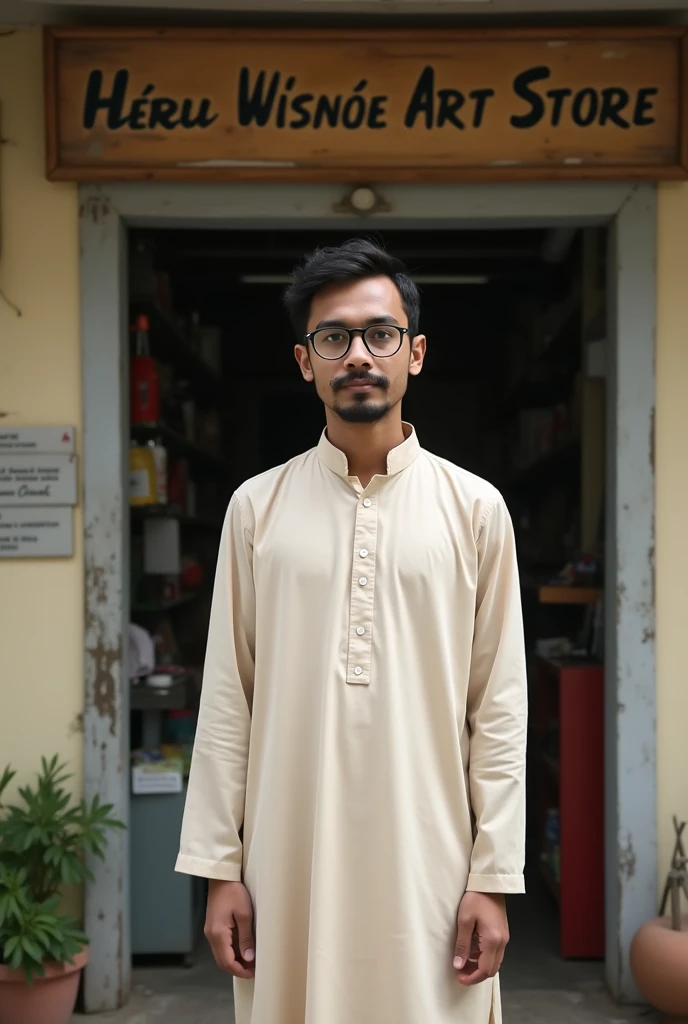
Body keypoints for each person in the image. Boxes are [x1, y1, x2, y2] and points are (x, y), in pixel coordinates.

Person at [176, 238, 527, 1024]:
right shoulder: (256, 509)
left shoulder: (475, 511)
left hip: (430, 863)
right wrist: (219, 869)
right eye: (333, 337)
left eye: (380, 334)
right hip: (287, 862)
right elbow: (228, 698)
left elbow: (498, 708)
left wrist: (493, 877)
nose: (358, 355)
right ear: (306, 362)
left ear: (416, 354)